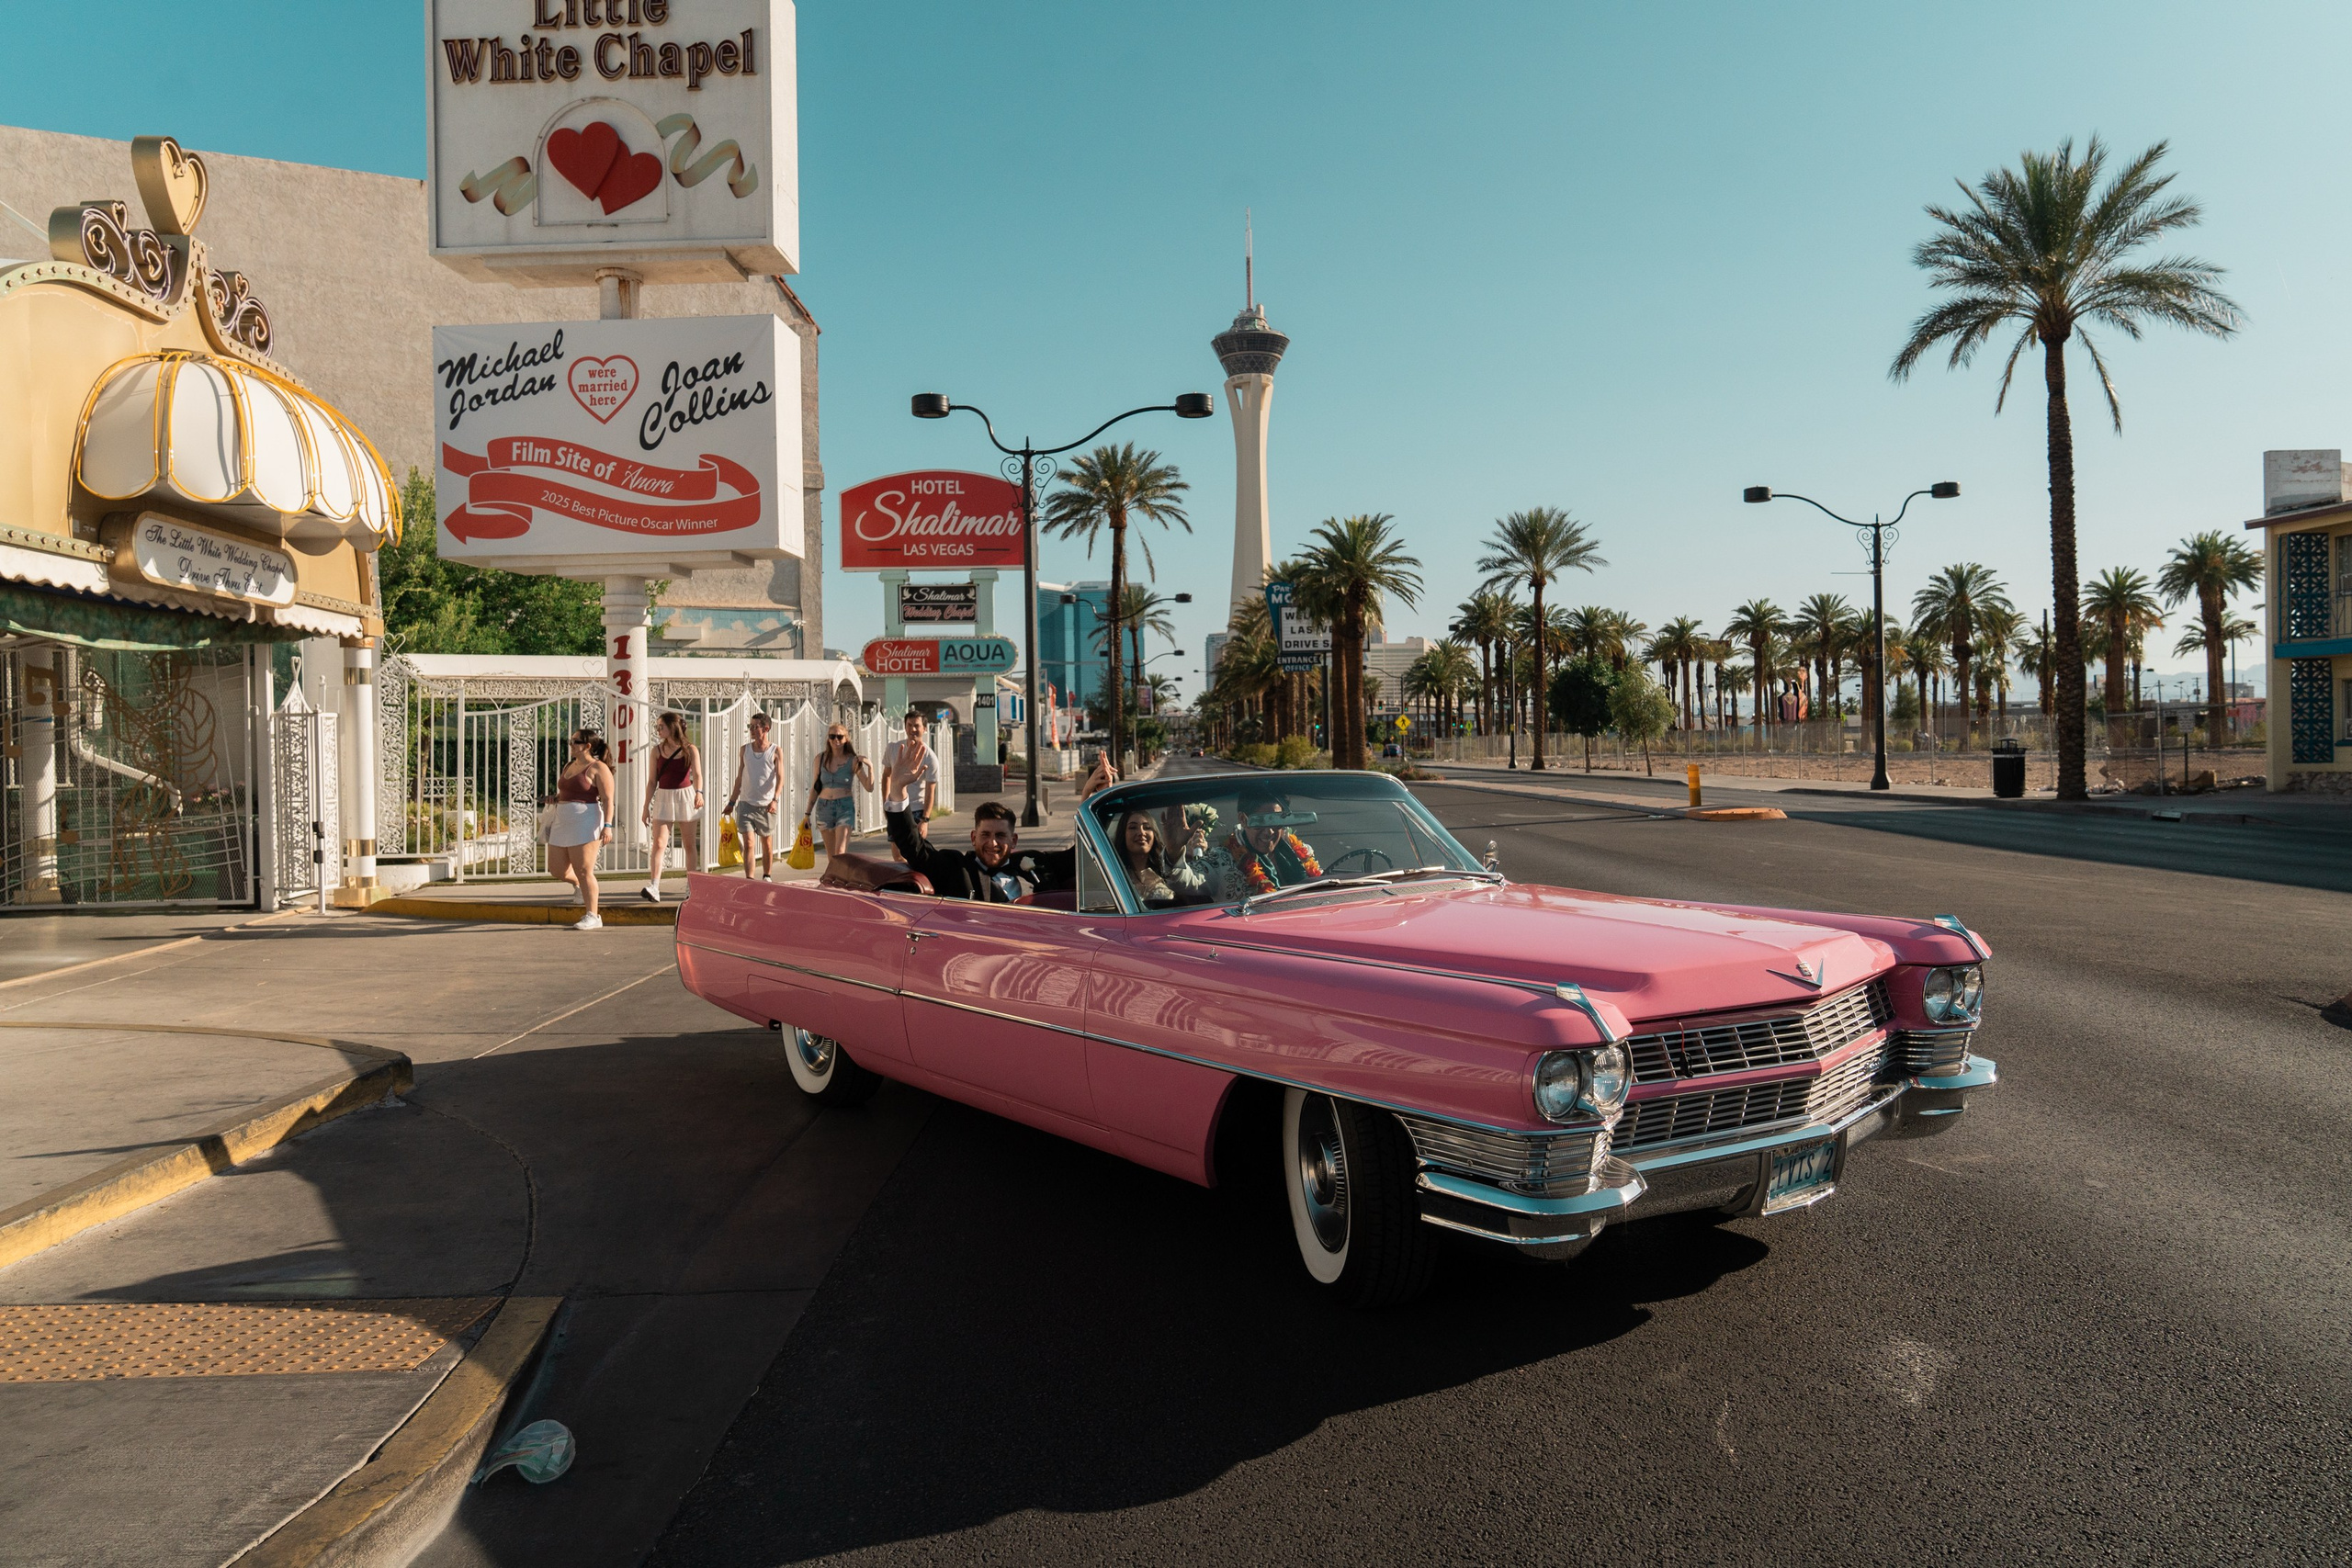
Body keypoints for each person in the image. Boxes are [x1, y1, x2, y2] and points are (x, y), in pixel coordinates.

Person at [884, 799, 1072, 903]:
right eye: (985, 835)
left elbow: (1078, 858)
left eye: (1000, 835)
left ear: (1013, 840)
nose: (992, 843)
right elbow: (914, 847)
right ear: (974, 838)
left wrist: (1089, 796)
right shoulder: (957, 869)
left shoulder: (1038, 862)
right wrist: (899, 791)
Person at [548, 728, 615, 930]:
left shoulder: (598, 768)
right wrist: (555, 798)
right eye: (571, 741)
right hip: (562, 821)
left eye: (575, 741)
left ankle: (593, 915)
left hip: (586, 821)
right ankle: (578, 886)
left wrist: (608, 826)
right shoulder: (569, 765)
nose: (571, 744)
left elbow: (608, 799)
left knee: (585, 870)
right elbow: (565, 792)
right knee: (556, 869)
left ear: (587, 746)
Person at [1208, 786, 1323, 899]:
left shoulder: (1301, 852)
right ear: (1243, 819)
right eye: (1260, 821)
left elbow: (1322, 885)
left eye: (1276, 821)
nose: (1269, 832)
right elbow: (1196, 881)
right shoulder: (1222, 861)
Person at [639, 711, 703, 904]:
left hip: (685, 796)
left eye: (661, 726)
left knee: (689, 844)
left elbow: (697, 775)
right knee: (659, 843)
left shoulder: (690, 749)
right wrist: (646, 807)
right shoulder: (656, 751)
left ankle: (691, 886)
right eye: (657, 726)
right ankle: (654, 886)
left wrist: (699, 792)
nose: (658, 730)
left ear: (672, 727)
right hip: (663, 797)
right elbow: (652, 781)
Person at [723, 710, 784, 880]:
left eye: (755, 727)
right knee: (749, 843)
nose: (751, 730)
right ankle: (750, 879)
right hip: (746, 804)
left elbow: (780, 778)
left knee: (767, 844)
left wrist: (775, 799)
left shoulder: (775, 751)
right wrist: (731, 802)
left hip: (766, 805)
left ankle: (766, 876)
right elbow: (739, 778)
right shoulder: (745, 750)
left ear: (766, 729)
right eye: (750, 726)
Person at [802, 722, 874, 860]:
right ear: (828, 739)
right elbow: (815, 788)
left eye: (840, 737)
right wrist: (807, 814)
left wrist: (870, 767)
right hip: (824, 808)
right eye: (832, 736)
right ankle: (836, 875)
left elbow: (869, 787)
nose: (836, 740)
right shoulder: (820, 759)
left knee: (840, 853)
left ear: (846, 739)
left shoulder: (852, 760)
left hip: (844, 808)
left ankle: (841, 874)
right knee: (832, 857)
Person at [1111, 809, 1208, 907]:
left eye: (1147, 828)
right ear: (1123, 833)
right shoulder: (1112, 874)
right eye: (1133, 827)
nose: (1141, 832)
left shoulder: (1170, 869)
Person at [880, 711, 938, 858]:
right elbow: (886, 775)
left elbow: (930, 791)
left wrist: (925, 820)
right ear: (905, 727)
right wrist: (886, 802)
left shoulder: (930, 757)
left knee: (914, 856)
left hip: (916, 810)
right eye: (909, 725)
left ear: (924, 728)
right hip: (895, 807)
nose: (913, 729)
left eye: (917, 726)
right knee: (897, 856)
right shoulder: (893, 748)